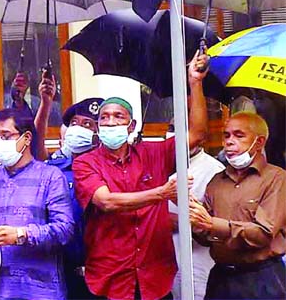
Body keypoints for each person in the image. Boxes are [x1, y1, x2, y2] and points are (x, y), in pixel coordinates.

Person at [72, 52, 209, 300]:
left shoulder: (154, 153)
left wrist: (195, 84)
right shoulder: (85, 162)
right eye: (104, 117)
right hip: (110, 278)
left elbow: (197, 135)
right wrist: (162, 193)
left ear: (131, 125)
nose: (110, 122)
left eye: (118, 116)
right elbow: (107, 201)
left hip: (154, 276)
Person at [0, 108, 75, 300]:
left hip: (42, 290)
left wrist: (22, 234)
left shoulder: (50, 177)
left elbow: (65, 230)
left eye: (6, 136)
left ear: (26, 138)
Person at [189, 111, 286, 300]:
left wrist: (211, 223)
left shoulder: (276, 178)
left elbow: (262, 234)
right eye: (226, 135)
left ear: (259, 142)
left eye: (239, 135)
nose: (229, 142)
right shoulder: (217, 181)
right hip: (221, 278)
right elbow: (205, 238)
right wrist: (193, 216)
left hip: (261, 279)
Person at [46, 97, 103, 300]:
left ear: (99, 132)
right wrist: (45, 103)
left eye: (87, 124)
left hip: (105, 274)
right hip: (63, 272)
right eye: (73, 124)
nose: (78, 129)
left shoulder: (113, 169)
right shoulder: (56, 170)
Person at [166, 124, 225, 300]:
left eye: (186, 128)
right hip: (162, 264)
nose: (177, 134)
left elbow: (217, 222)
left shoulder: (214, 171)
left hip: (196, 262)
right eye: (172, 127)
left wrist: (168, 219)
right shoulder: (158, 163)